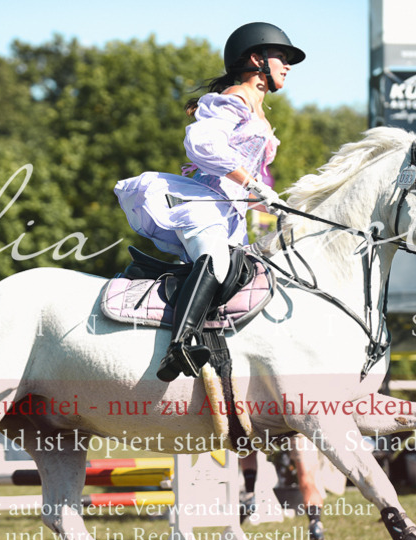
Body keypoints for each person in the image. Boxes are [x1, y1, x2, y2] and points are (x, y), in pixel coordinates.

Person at [114, 22, 305, 382]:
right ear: (256, 59)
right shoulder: (234, 99)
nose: (287, 66)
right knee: (216, 263)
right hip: (203, 205)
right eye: (281, 57)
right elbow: (202, 146)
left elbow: (249, 191)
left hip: (229, 215)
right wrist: (252, 184)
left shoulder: (260, 115)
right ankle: (179, 345)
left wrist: (277, 208)